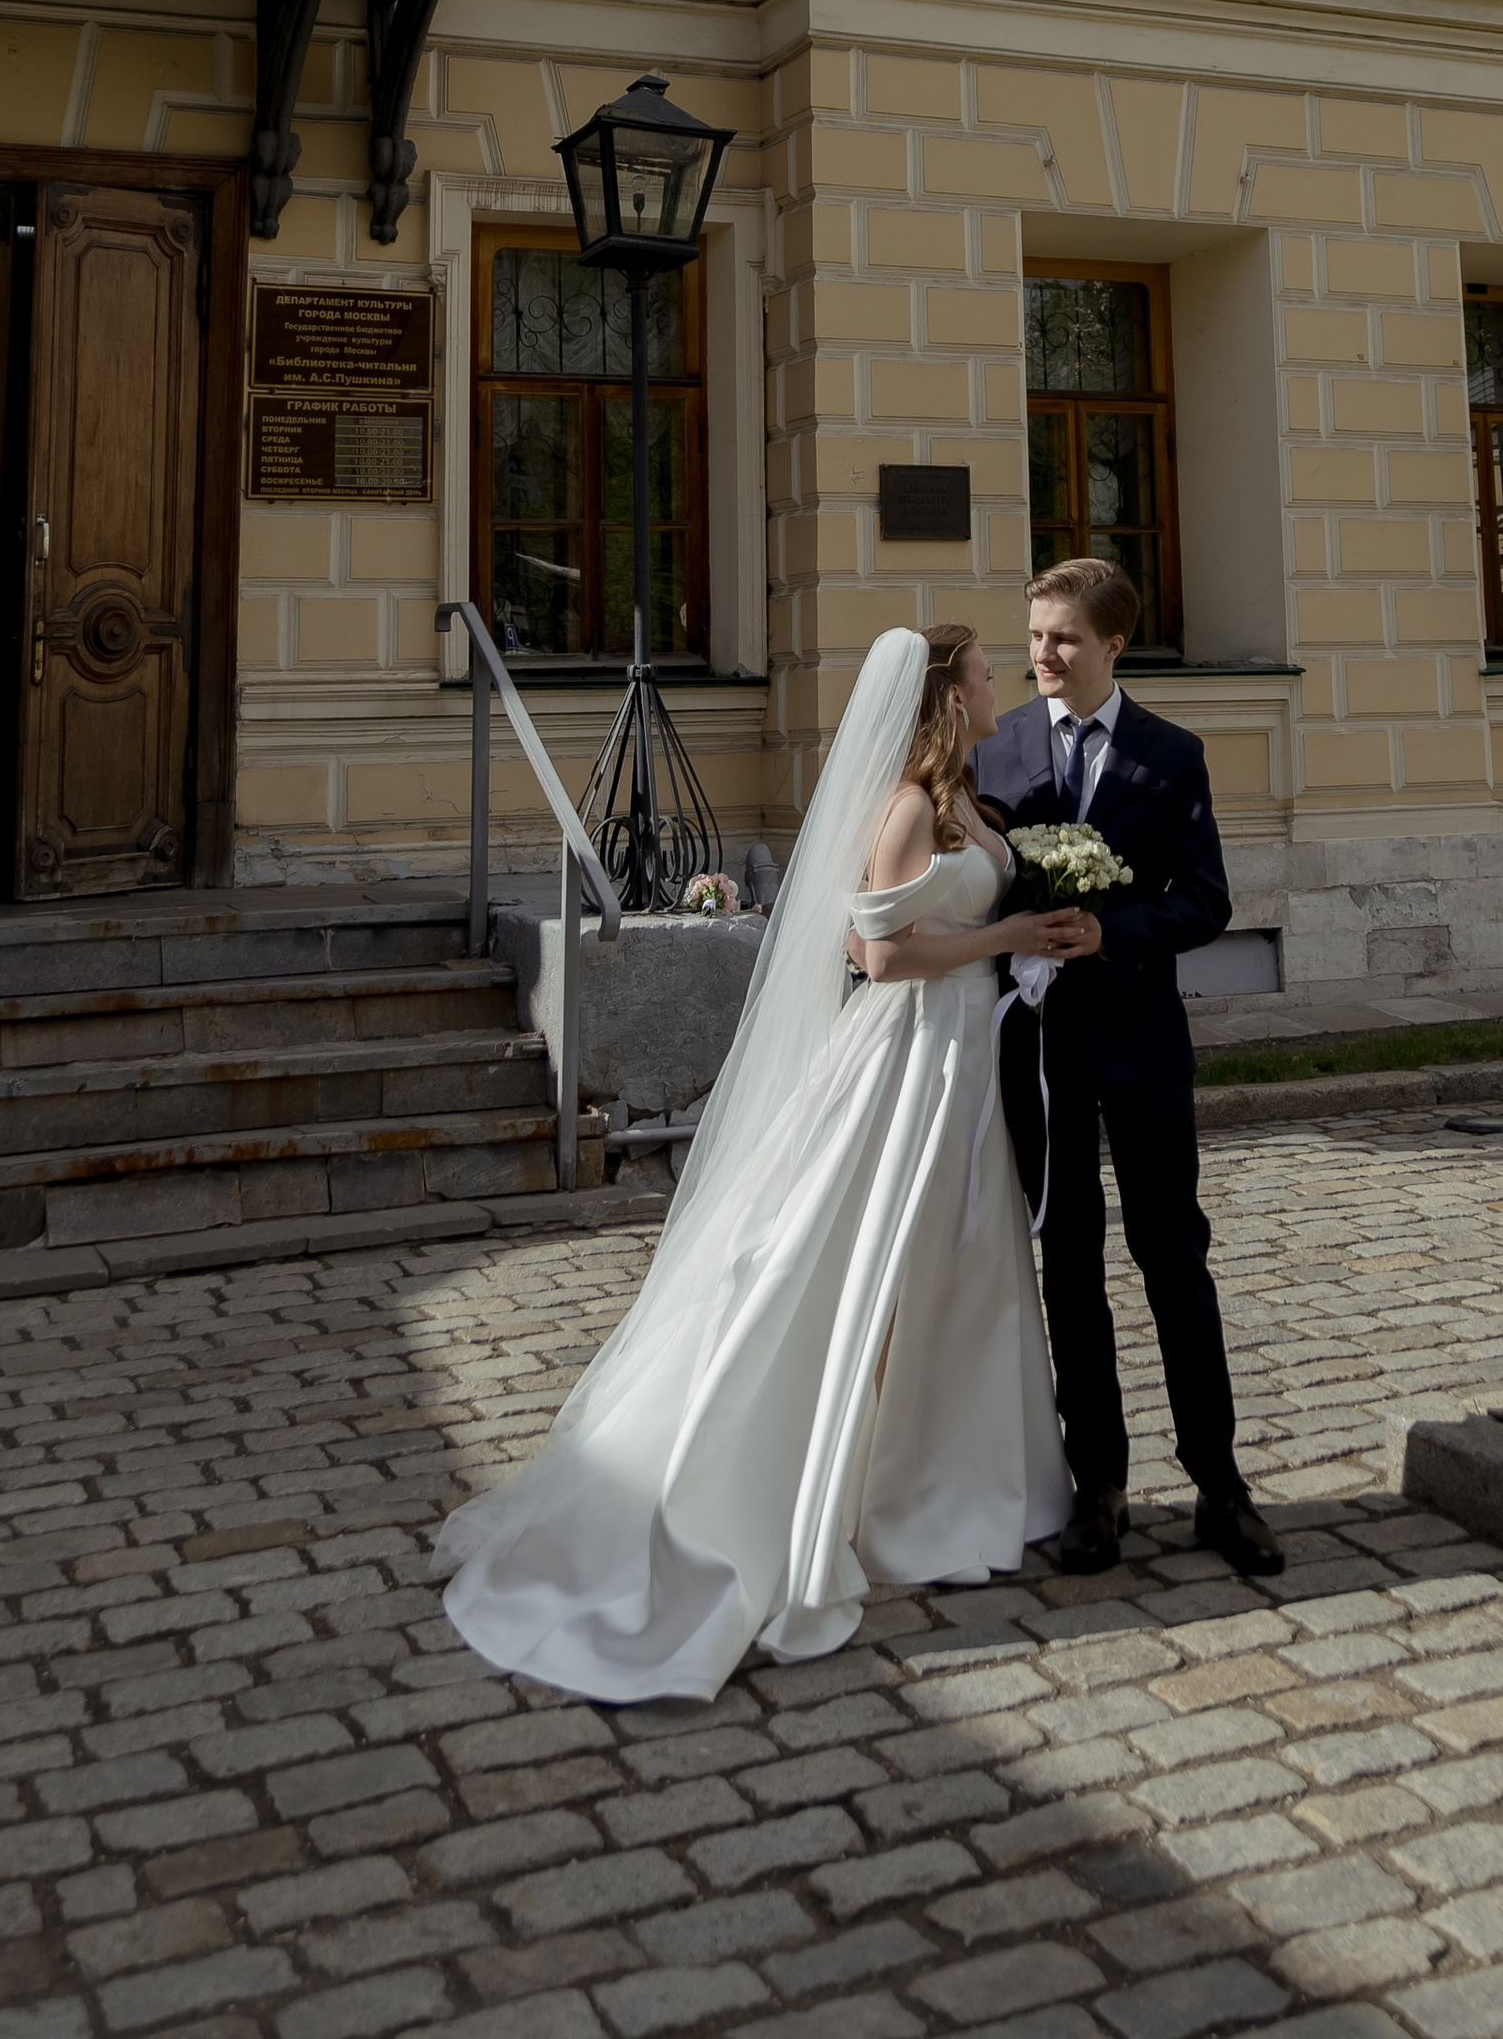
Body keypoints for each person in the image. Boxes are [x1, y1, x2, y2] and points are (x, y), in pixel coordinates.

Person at [435, 623, 1079, 1701]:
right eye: (981, 675)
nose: (995, 685)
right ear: (944, 697)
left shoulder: (964, 795)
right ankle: (838, 1492)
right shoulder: (910, 808)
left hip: (967, 1057)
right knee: (860, 1266)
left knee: (961, 1269)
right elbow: (872, 951)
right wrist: (1001, 943)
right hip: (912, 1054)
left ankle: (949, 1488)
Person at [974, 557, 1281, 1579]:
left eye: (1062, 637)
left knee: (1172, 1257)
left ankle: (1219, 1482)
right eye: (1033, 637)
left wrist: (1117, 932)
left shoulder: (1172, 754)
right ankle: (1094, 1483)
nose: (1043, 656)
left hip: (1141, 1042)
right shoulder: (1000, 748)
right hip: (1039, 1049)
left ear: (1112, 645)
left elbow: (1206, 899)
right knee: (1067, 1264)